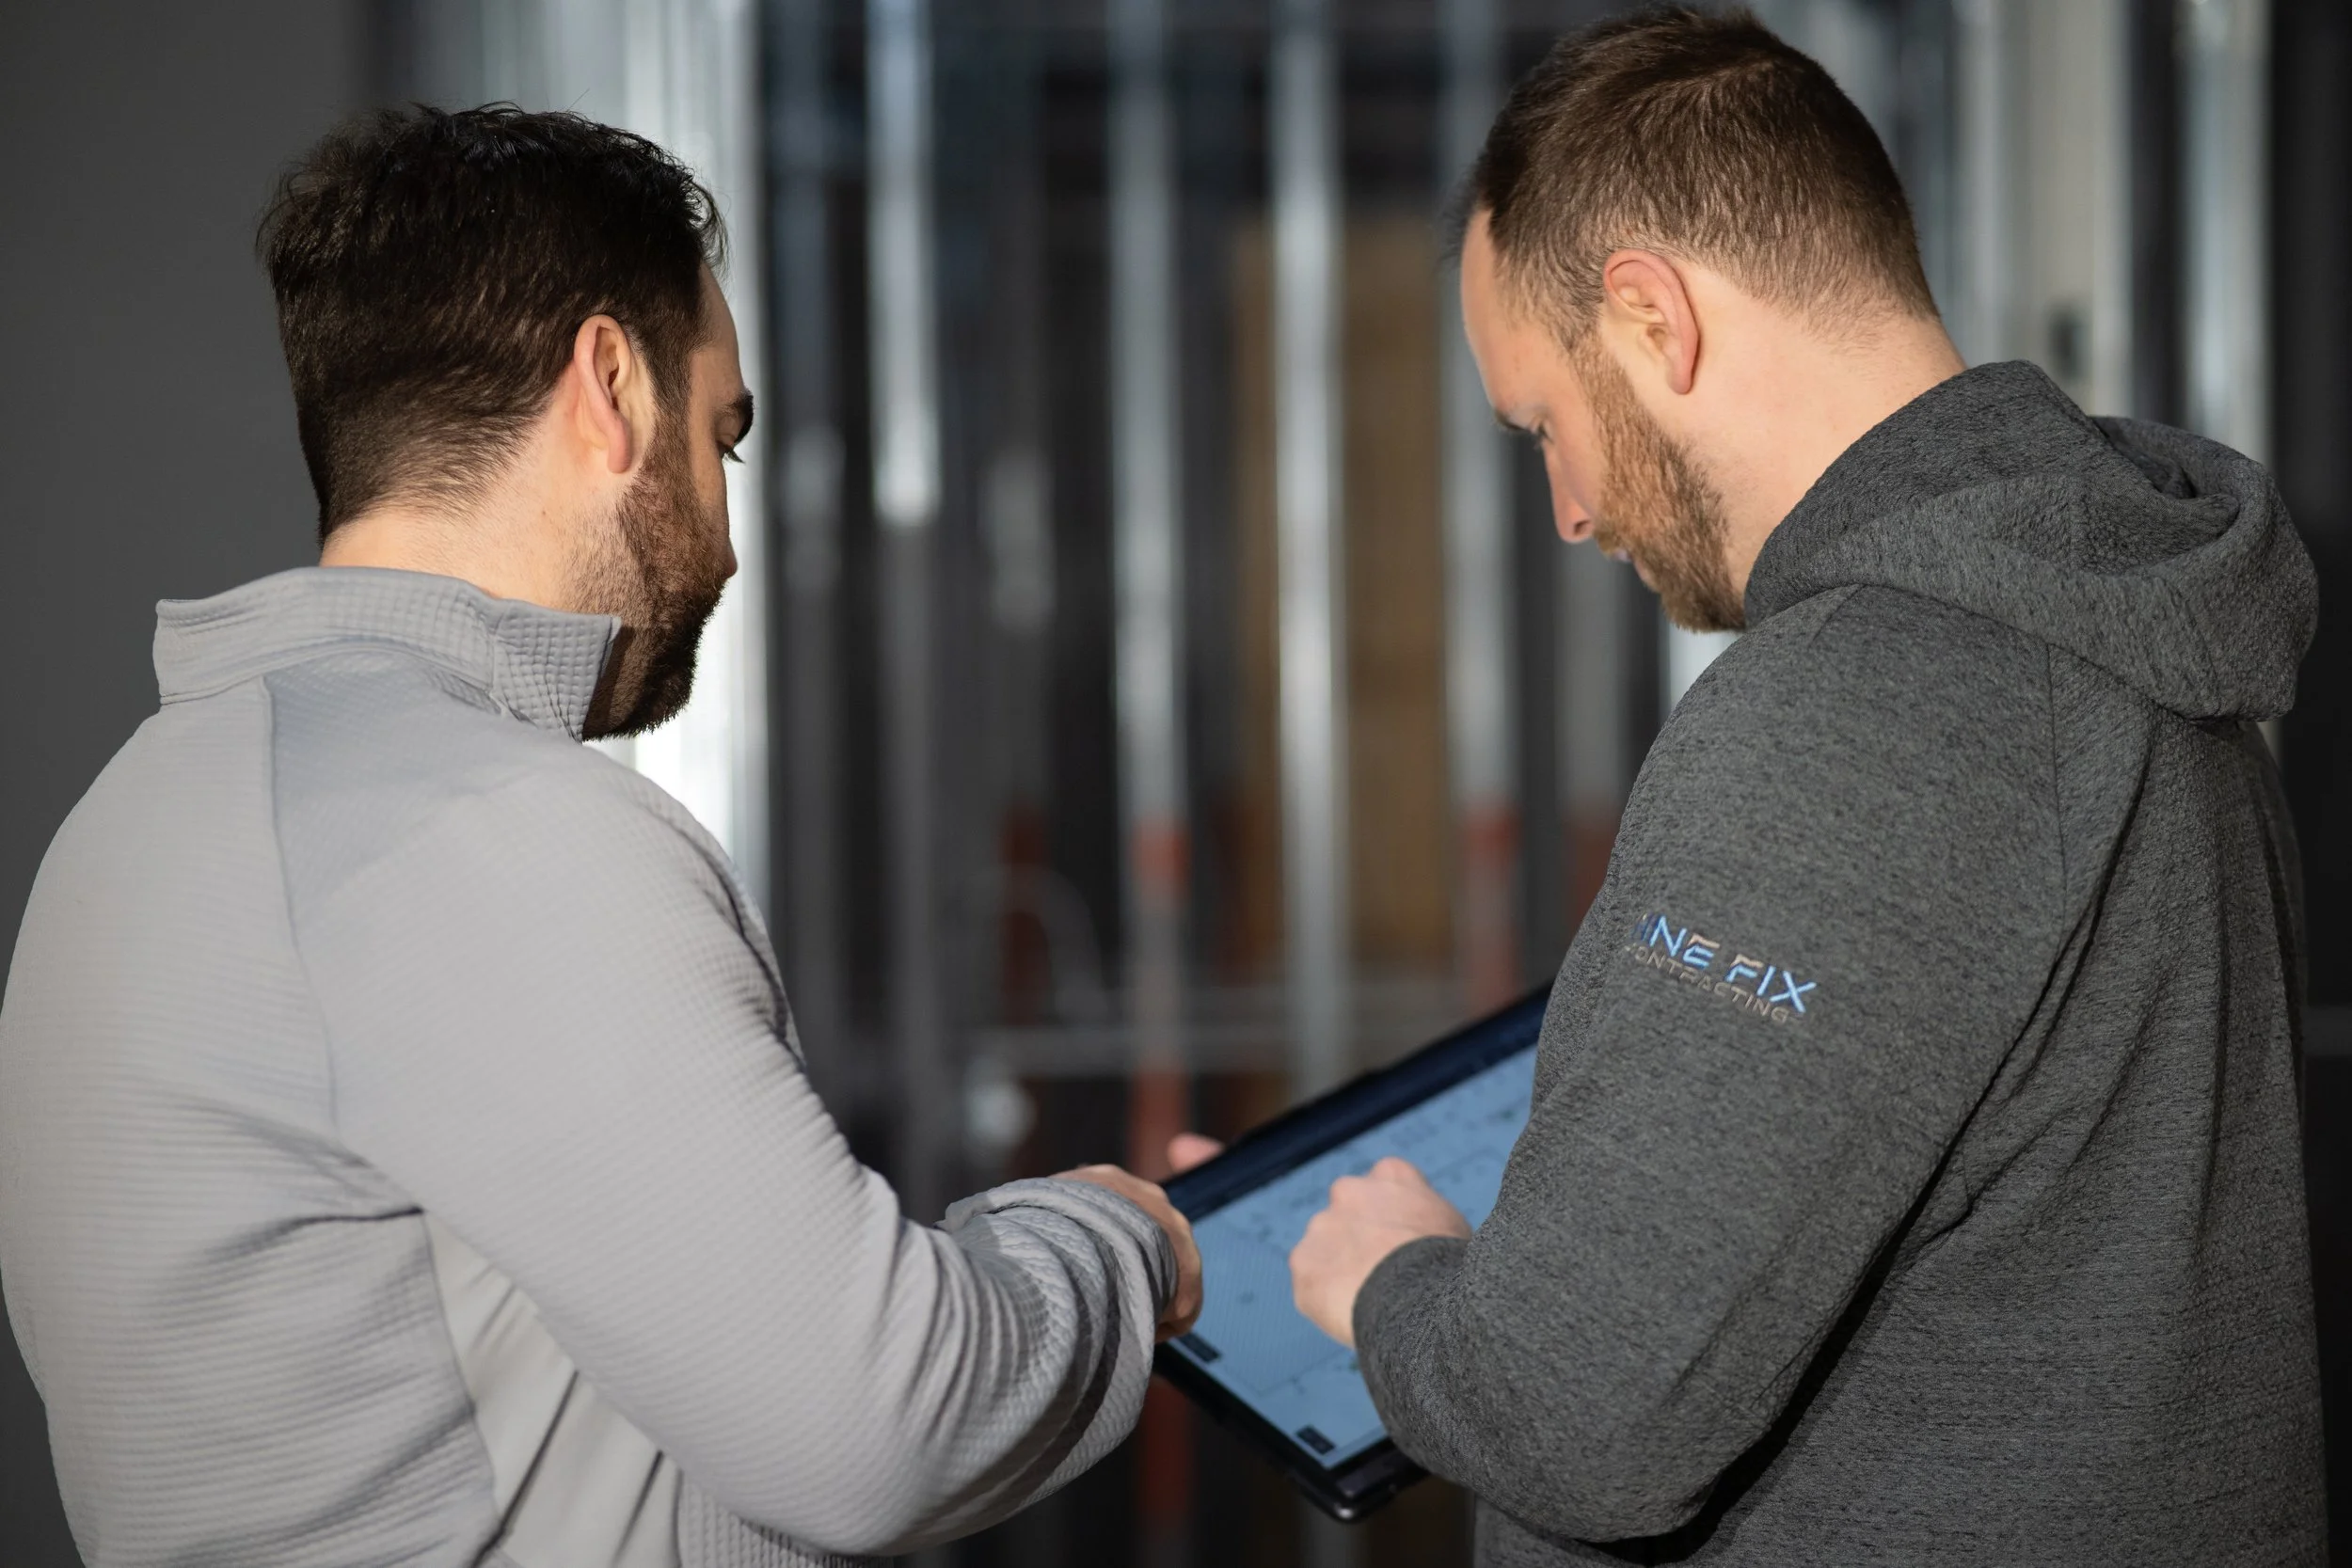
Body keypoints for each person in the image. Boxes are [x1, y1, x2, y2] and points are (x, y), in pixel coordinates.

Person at [0, 105, 1199, 1568]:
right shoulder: (485, 828)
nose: (731, 536)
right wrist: (1121, 1243)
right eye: (724, 439)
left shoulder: (129, 820)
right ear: (612, 387)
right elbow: (880, 1425)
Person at [1283, 9, 2324, 1564]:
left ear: (1651, 317)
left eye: (1543, 425)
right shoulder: (2115, 612)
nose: (1566, 508)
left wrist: (1391, 1275)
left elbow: (1578, 1413)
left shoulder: (1867, 704)